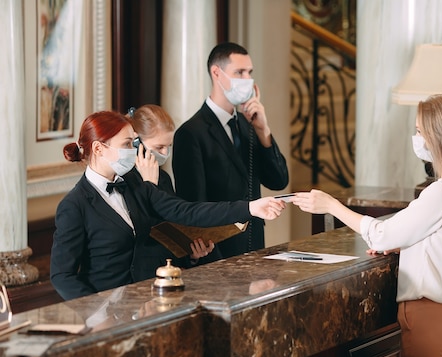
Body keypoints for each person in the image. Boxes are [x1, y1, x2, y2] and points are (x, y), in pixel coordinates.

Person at [292, 94, 442, 357]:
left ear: (437, 137)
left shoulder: (441, 192)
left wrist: (332, 206)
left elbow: (382, 234)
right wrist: (406, 246)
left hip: (430, 316)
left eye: (420, 131)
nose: (417, 138)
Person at [50, 110, 285, 301]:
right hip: (107, 315)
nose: (134, 150)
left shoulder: (137, 184)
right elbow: (62, 276)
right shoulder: (74, 205)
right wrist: (95, 314)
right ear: (99, 149)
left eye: (134, 143)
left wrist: (250, 208)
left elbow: (187, 212)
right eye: (127, 144)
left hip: (151, 304)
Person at [172, 42, 289, 259]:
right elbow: (194, 205)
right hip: (217, 251)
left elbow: (279, 180)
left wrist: (264, 130)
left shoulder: (249, 125)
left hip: (255, 247)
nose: (247, 80)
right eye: (239, 72)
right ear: (217, 73)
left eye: (250, 72)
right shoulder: (191, 133)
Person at [126, 104, 220, 265]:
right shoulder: (124, 181)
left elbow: (172, 226)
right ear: (136, 143)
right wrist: (150, 185)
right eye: (159, 147)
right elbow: (143, 234)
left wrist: (191, 255)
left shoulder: (164, 178)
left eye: (168, 146)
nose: (165, 153)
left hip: (169, 271)